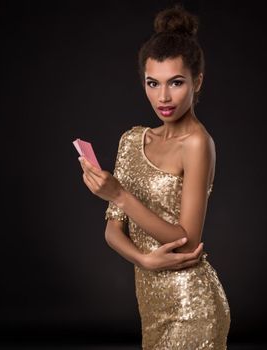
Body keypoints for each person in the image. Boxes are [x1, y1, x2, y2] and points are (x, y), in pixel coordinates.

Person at [78, 4, 230, 348]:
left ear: (198, 81)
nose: (163, 97)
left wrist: (119, 195)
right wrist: (143, 259)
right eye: (153, 83)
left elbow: (187, 242)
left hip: (192, 307)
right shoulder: (131, 141)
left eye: (176, 82)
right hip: (151, 306)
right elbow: (112, 229)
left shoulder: (197, 144)